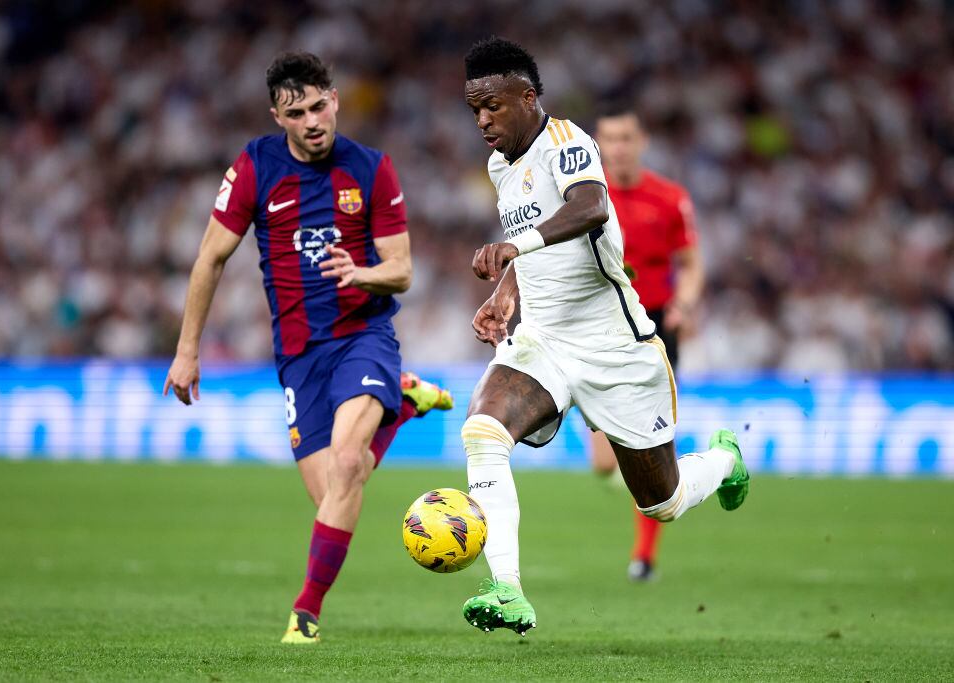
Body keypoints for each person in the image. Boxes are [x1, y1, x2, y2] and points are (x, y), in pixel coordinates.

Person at [459, 36, 749, 636]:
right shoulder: (499, 166)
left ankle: (724, 460)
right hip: (542, 340)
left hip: (613, 344)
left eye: (492, 106)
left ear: (527, 96)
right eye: (474, 110)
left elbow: (589, 208)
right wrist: (505, 294)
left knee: (661, 502)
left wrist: (518, 244)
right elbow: (532, 248)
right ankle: (506, 590)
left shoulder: (568, 143)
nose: (482, 120)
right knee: (483, 432)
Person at [163, 52, 451, 645]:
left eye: (320, 106)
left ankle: (305, 612)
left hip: (362, 338)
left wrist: (362, 274)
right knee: (337, 492)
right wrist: (187, 349)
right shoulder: (254, 166)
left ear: (336, 99)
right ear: (278, 117)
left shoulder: (372, 170)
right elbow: (210, 257)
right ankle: (400, 403)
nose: (313, 121)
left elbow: (401, 271)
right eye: (297, 113)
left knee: (348, 464)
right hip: (298, 354)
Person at [590, 104, 706, 582]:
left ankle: (644, 557)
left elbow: (692, 263)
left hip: (657, 326)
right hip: (598, 326)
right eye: (610, 138)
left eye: (626, 138)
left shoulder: (669, 198)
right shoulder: (585, 195)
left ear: (642, 142)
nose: (618, 147)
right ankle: (637, 469)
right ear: (597, 143)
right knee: (602, 464)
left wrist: (685, 304)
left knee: (655, 449)